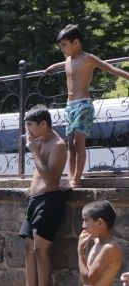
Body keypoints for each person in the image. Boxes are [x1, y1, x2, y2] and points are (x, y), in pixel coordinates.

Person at [45, 25, 129, 188]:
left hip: (83, 105)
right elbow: (64, 64)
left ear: (76, 42)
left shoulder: (88, 58)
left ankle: (76, 179)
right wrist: (53, 67)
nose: (62, 49)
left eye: (64, 45)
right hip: (70, 106)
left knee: (78, 142)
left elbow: (110, 68)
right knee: (70, 143)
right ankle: (70, 177)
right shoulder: (69, 60)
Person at [10, 105, 68, 286]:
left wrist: (34, 151)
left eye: (30, 126)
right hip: (35, 201)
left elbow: (51, 178)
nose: (28, 131)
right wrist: (35, 147)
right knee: (28, 248)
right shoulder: (40, 140)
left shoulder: (58, 145)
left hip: (49, 201)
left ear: (44, 124)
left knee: (40, 251)